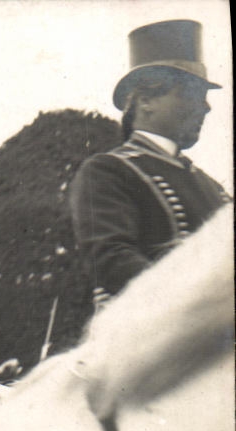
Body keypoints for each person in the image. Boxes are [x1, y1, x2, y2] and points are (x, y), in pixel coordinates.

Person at [70, 19, 230, 306]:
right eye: (193, 94)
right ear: (145, 100)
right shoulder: (108, 171)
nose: (206, 107)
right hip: (148, 341)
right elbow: (111, 260)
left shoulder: (214, 188)